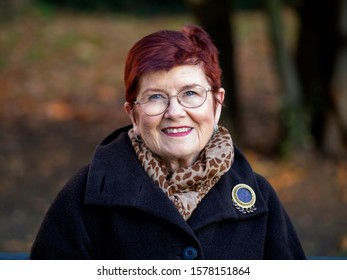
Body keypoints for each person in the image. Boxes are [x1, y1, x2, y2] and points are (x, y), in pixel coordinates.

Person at [30, 24, 306, 260]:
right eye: (155, 97)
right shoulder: (85, 194)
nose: (175, 112)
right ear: (134, 114)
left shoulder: (258, 196)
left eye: (190, 93)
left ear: (217, 104)